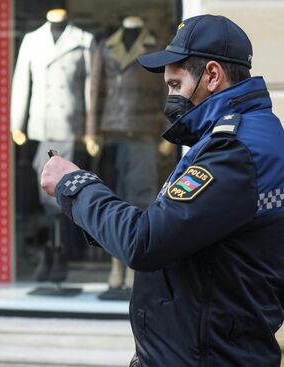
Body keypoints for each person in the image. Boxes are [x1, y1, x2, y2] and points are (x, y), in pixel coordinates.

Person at [41, 14, 284, 366]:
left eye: (175, 85)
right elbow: (173, 231)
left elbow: (146, 241)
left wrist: (74, 185)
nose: (169, 97)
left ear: (212, 76)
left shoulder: (234, 150)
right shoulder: (245, 135)